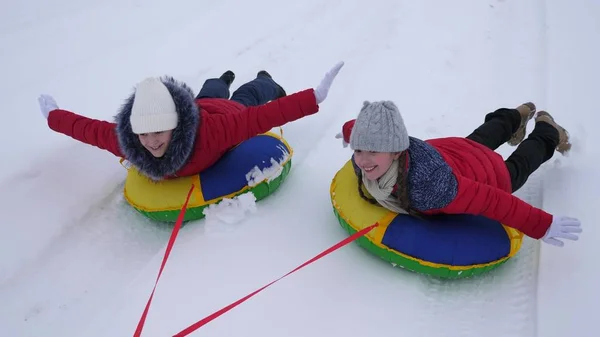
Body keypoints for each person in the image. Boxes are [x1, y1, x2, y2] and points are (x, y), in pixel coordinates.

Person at [37, 61, 344, 181]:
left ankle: (268, 81)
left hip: (226, 112)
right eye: (143, 134)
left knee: (248, 94)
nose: (151, 141)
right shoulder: (132, 143)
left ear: (173, 126)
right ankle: (223, 77)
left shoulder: (212, 134)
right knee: (212, 88)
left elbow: (260, 118)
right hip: (200, 104)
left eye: (158, 132)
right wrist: (54, 117)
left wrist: (312, 98)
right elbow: (89, 130)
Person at [335, 100, 582, 247]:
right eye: (358, 149)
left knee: (518, 167)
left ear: (397, 151)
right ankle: (516, 115)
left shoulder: (428, 186)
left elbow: (491, 200)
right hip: (451, 153)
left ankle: (547, 130)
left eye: (374, 151)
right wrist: (349, 133)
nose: (364, 160)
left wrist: (542, 225)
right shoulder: (364, 161)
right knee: (478, 141)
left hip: (483, 175)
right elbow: (361, 129)